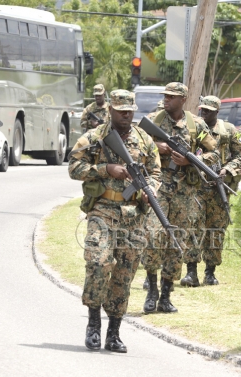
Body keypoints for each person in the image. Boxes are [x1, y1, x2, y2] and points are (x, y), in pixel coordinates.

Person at [69, 89, 161, 353]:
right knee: (97, 263)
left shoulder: (144, 139)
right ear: (110, 110)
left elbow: (156, 172)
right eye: (122, 111)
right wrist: (105, 169)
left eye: (130, 110)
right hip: (103, 211)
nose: (127, 115)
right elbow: (73, 168)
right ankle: (94, 324)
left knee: (124, 274)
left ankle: (114, 333)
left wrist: (151, 187)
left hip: (134, 217)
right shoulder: (95, 137)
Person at [141, 82, 218, 314]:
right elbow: (132, 147)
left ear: (183, 99)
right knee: (154, 236)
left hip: (185, 191)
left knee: (177, 242)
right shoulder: (153, 121)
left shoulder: (197, 125)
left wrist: (192, 160)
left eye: (172, 97)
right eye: (165, 95)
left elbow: (214, 152)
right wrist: (157, 147)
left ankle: (165, 294)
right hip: (158, 187)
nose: (167, 99)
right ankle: (151, 289)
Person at [180, 96, 241, 287]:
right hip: (196, 186)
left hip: (218, 187)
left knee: (216, 230)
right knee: (193, 227)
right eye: (202, 109)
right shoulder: (193, 129)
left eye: (208, 110)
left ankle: (210, 271)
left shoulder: (228, 130)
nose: (204, 113)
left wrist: (228, 169)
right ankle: (191, 272)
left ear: (217, 111)